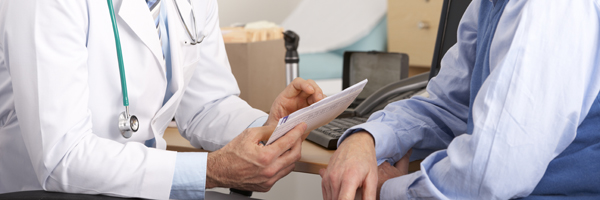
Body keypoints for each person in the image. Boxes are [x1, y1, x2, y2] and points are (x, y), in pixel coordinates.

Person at [0, 0, 324, 199]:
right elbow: (62, 157)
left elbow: (208, 105)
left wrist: (269, 128)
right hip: (50, 191)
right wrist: (211, 171)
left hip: (139, 188)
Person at [321, 0, 600, 199]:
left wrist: (389, 190)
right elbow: (446, 105)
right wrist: (365, 139)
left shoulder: (551, 7)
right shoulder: (487, 5)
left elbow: (493, 173)